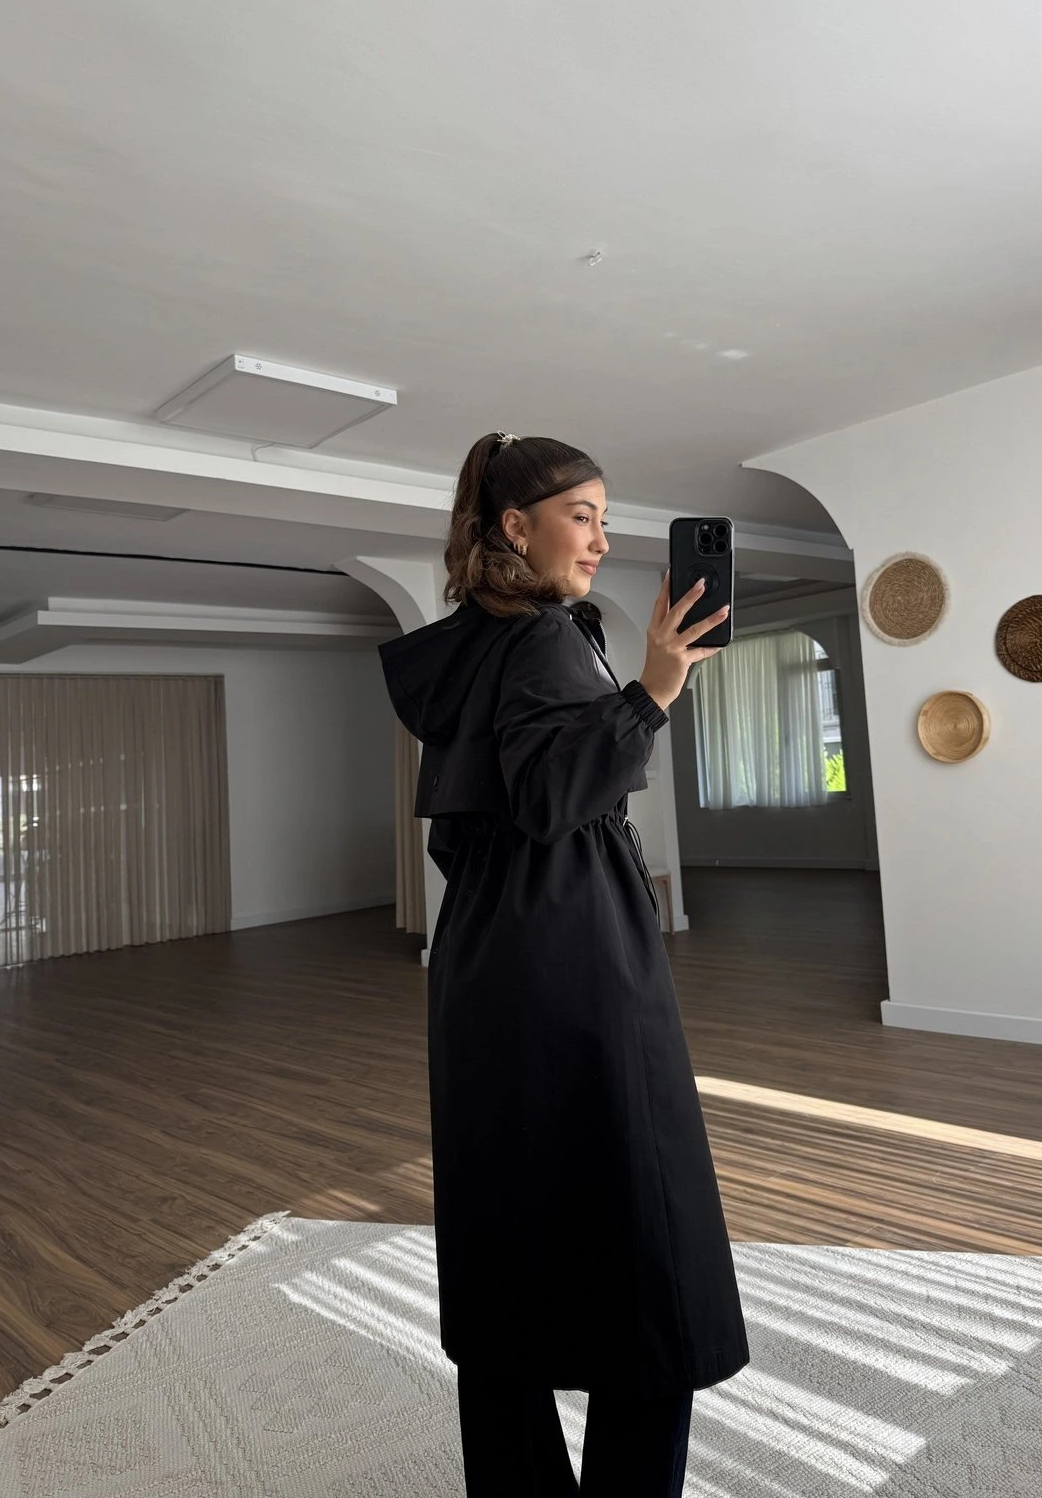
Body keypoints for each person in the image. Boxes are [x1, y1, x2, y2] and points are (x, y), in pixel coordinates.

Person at [378, 432, 749, 1496]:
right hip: (573, 959)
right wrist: (654, 689)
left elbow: (479, 819)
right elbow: (550, 798)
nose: (601, 539)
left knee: (510, 1242)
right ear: (515, 526)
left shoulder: (472, 642)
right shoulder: (543, 636)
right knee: (651, 1249)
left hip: (486, 957)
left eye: (603, 518)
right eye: (581, 515)